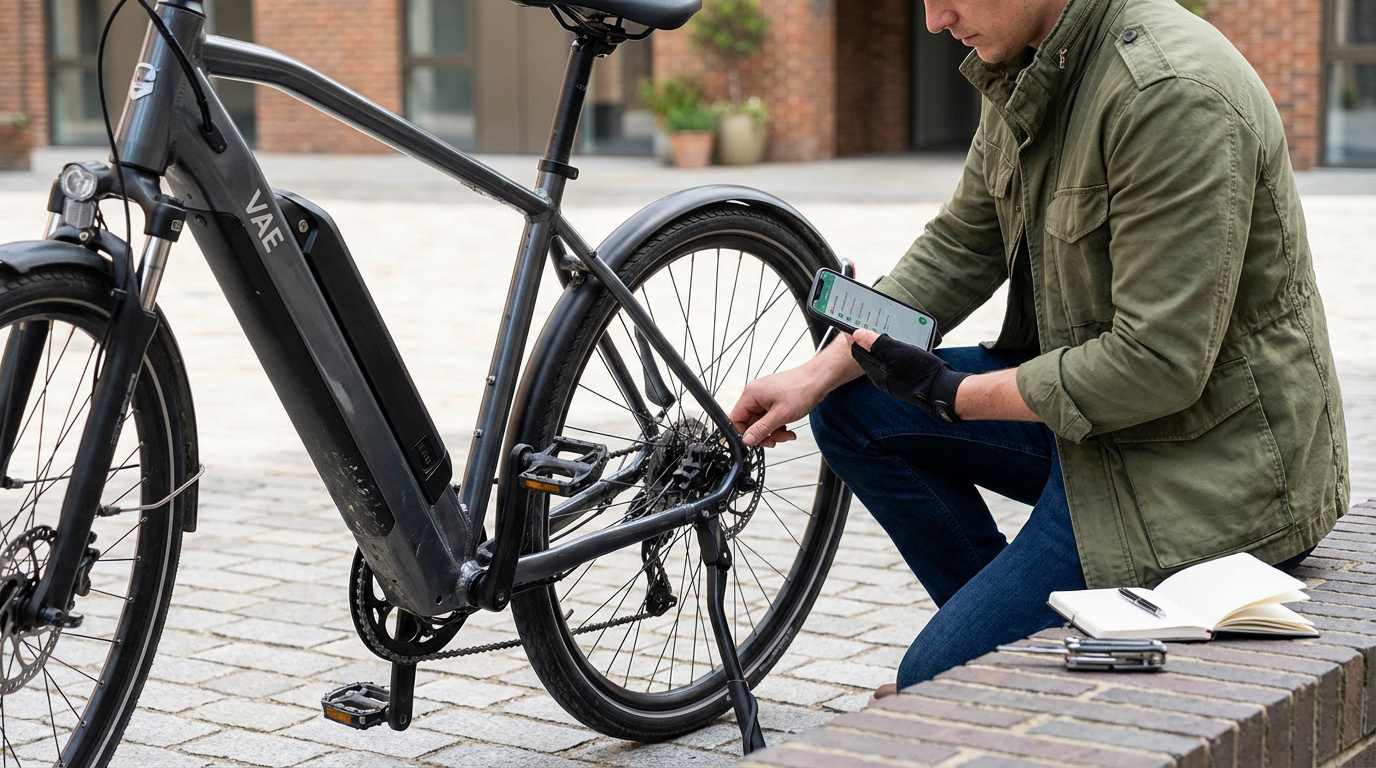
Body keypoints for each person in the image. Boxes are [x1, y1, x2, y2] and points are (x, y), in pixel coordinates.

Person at [729, 0, 1348, 691]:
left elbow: (1157, 365)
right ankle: (1005, 642)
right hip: (1100, 428)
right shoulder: (1032, 61)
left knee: (932, 678)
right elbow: (960, 246)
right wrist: (817, 373)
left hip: (1204, 470)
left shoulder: (1170, 95)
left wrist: (951, 395)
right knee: (854, 408)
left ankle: (994, 663)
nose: (934, 20)